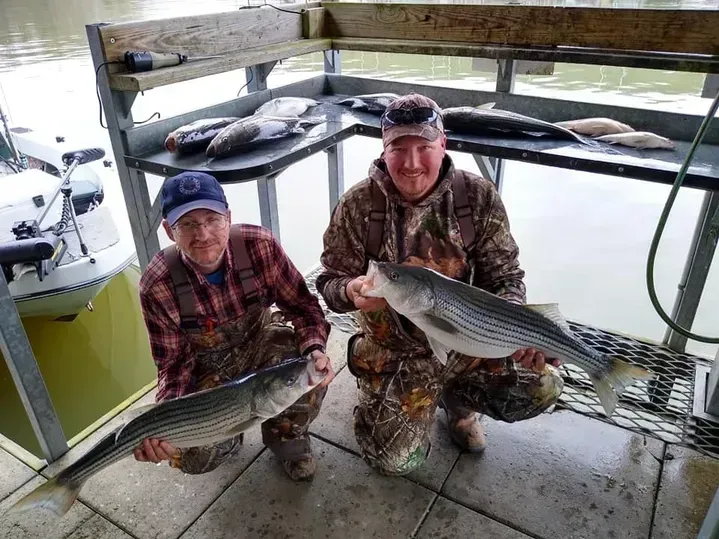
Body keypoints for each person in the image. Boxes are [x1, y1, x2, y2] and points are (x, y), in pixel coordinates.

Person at [315, 93, 564, 476]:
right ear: (384, 149)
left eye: (424, 147)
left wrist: (520, 330)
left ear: (443, 144)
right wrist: (350, 291)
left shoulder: (477, 196)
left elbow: (505, 276)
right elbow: (330, 280)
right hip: (395, 351)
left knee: (540, 386)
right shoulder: (358, 205)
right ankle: (390, 391)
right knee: (393, 460)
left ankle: (459, 406)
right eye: (399, 148)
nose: (412, 163)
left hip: (471, 339)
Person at [135, 171, 334, 481]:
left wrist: (315, 348)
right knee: (193, 455)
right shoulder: (157, 283)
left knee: (305, 370)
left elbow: (304, 306)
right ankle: (227, 436)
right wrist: (165, 420)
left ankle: (288, 442)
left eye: (212, 219)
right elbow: (173, 364)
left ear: (228, 217)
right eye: (187, 224)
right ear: (168, 230)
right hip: (208, 369)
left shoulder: (259, 245)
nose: (202, 234)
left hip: (261, 344)